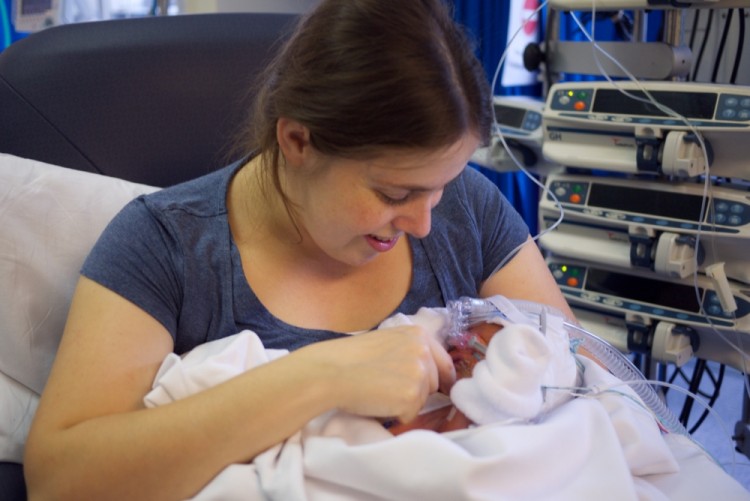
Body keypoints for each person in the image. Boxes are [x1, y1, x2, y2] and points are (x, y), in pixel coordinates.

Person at [24, 0, 577, 499]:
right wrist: (321, 377)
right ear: (297, 141)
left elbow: (576, 381)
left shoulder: (469, 209)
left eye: (440, 188)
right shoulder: (166, 247)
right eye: (393, 193)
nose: (425, 223)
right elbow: (62, 480)